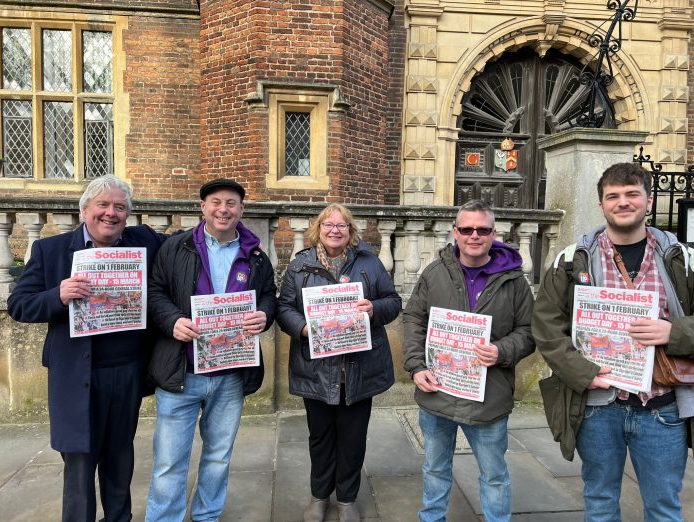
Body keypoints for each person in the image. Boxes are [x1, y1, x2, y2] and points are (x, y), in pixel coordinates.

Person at [533, 162, 694, 521]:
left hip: (661, 409)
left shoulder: (681, 259)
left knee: (664, 507)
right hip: (596, 407)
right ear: (602, 205)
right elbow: (545, 325)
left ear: (648, 201)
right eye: (613, 196)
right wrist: (580, 371)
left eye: (632, 194)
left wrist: (674, 332)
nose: (623, 202)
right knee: (600, 503)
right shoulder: (573, 260)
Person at [7, 175, 166, 522]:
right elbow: (18, 304)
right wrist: (57, 296)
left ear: (128, 215)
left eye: (120, 207)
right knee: (79, 465)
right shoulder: (51, 250)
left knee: (119, 460)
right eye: (103, 205)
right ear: (84, 210)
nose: (111, 213)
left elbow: (193, 243)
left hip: (125, 373)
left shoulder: (145, 242)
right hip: (74, 376)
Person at [145, 179, 277, 522]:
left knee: (218, 456)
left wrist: (265, 314)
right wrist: (172, 319)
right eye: (216, 202)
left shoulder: (256, 255)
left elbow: (268, 295)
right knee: (169, 461)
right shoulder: (175, 247)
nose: (223, 209)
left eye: (231, 203)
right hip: (181, 373)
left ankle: (207, 516)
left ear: (241, 209)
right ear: (202, 207)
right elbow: (154, 292)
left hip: (231, 375)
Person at [403, 199, 535, 522]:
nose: (474, 235)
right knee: (435, 468)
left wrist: (502, 351)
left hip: (488, 396)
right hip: (439, 393)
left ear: (494, 234)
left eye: (482, 229)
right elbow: (413, 319)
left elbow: (531, 331)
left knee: (493, 474)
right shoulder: (435, 273)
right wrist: (417, 365)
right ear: (455, 233)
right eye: (466, 229)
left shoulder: (514, 281)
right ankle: (432, 518)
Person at [277, 203, 401, 522]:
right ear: (318, 229)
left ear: (350, 231)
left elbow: (393, 302)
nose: (335, 230)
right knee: (320, 438)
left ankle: (347, 498)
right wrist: (303, 328)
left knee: (353, 438)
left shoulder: (369, 263)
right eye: (329, 224)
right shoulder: (300, 265)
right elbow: (284, 307)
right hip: (316, 370)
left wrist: (373, 308)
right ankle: (319, 496)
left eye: (342, 225)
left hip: (358, 369)